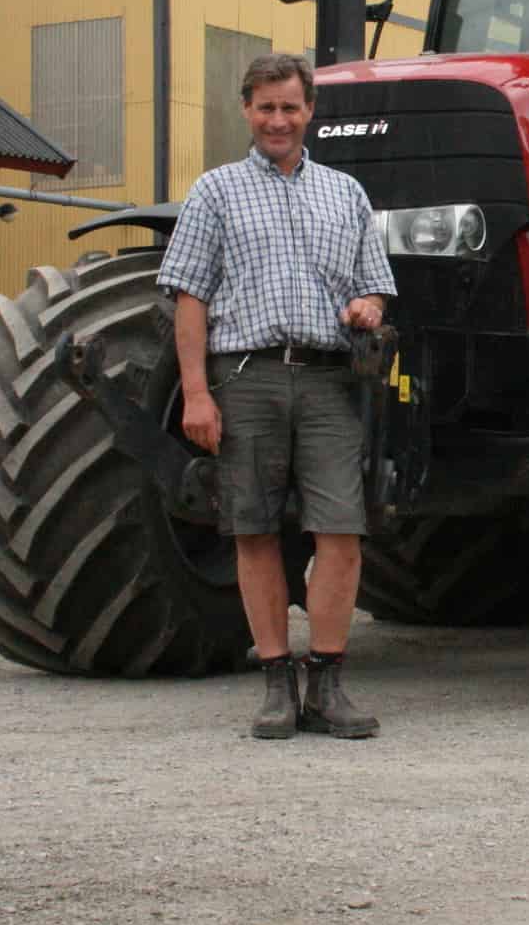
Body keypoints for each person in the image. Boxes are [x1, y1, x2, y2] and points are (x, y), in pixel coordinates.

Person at [158, 51, 396, 740]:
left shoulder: (345, 193)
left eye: (290, 107)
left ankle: (327, 684)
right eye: (266, 107)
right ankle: (275, 686)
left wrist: (369, 306)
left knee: (342, 533)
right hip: (246, 377)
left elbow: (373, 283)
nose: (279, 120)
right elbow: (190, 297)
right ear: (247, 110)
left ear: (310, 111)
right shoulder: (215, 191)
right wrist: (197, 395)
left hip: (327, 379)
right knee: (254, 531)